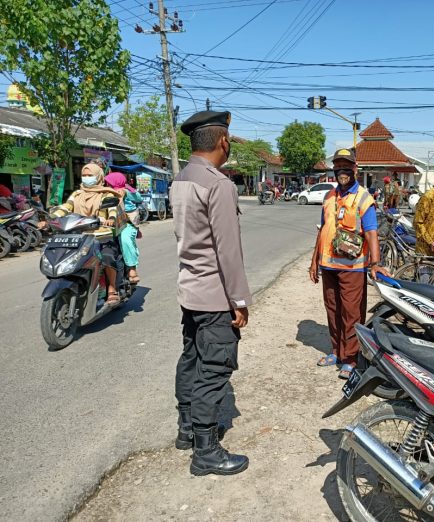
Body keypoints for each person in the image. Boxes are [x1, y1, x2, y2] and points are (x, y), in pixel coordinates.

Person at [169, 110, 252, 477]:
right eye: (229, 139)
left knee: (191, 358)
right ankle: (206, 451)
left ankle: (186, 429)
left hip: (190, 291)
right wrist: (240, 301)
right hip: (215, 296)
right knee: (214, 369)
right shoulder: (218, 184)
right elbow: (228, 251)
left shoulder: (181, 179)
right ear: (223, 141)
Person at [309, 148, 390, 379]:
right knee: (333, 310)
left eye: (346, 166)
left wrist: (375, 263)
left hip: (352, 268)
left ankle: (352, 358)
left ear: (355, 169)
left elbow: (372, 232)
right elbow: (322, 230)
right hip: (329, 267)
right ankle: (337, 351)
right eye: (338, 167)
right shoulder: (329, 197)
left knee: (351, 313)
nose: (342, 171)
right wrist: (314, 261)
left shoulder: (364, 197)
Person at [50, 164, 123, 305]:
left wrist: (111, 219)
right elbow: (67, 207)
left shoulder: (106, 194)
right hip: (79, 235)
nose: (86, 178)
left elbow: (113, 210)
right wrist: (53, 216)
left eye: (90, 175)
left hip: (101, 235)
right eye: (84, 175)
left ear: (98, 176)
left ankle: (112, 288)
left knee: (107, 256)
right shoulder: (77, 194)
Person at [104, 172, 143, 284]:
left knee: (125, 239)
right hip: (108, 224)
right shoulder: (104, 192)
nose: (107, 185)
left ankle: (132, 268)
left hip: (127, 224)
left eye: (109, 183)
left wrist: (126, 192)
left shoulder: (125, 191)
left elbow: (138, 197)